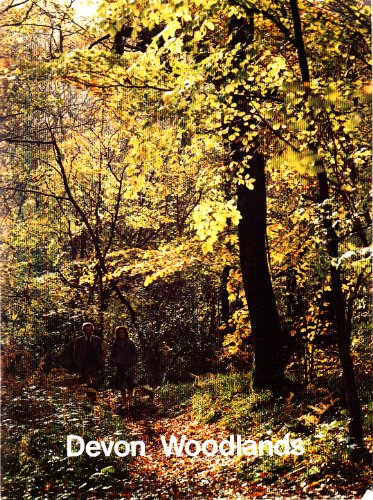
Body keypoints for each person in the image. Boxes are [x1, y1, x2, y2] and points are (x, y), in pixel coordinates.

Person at [109, 326, 138, 410]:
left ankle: (131, 401)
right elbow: (112, 356)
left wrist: (131, 361)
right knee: (122, 386)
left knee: (130, 385)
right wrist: (116, 361)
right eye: (120, 332)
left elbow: (135, 354)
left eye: (123, 332)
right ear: (117, 333)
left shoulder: (130, 342)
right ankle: (124, 402)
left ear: (126, 333)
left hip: (130, 367)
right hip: (120, 367)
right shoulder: (115, 344)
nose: (121, 333)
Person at [73, 322, 104, 388]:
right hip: (84, 363)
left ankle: (94, 395)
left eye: (90, 330)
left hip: (95, 363)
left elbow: (101, 351)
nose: (88, 332)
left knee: (95, 381)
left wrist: (102, 361)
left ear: (92, 330)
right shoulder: (79, 340)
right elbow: (75, 353)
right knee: (85, 381)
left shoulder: (97, 339)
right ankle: (87, 396)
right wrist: (77, 363)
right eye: (87, 330)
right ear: (83, 331)